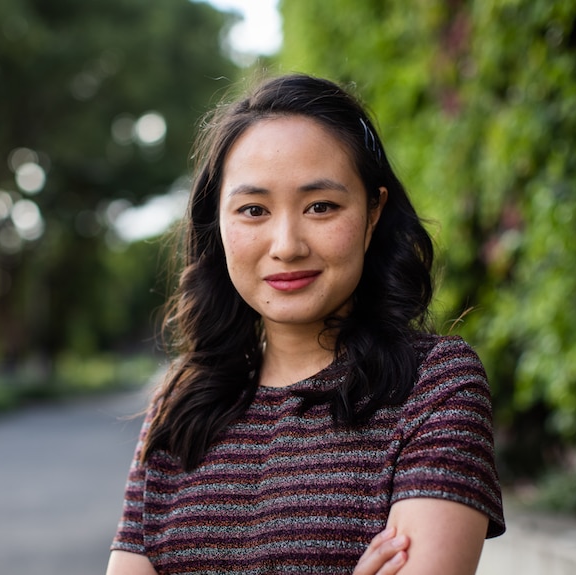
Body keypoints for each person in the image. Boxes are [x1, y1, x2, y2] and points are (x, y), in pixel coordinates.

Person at [106, 73, 505, 575]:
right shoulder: (180, 405)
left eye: (321, 206)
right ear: (219, 224)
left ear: (373, 213)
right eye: (253, 210)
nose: (287, 245)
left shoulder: (434, 385)